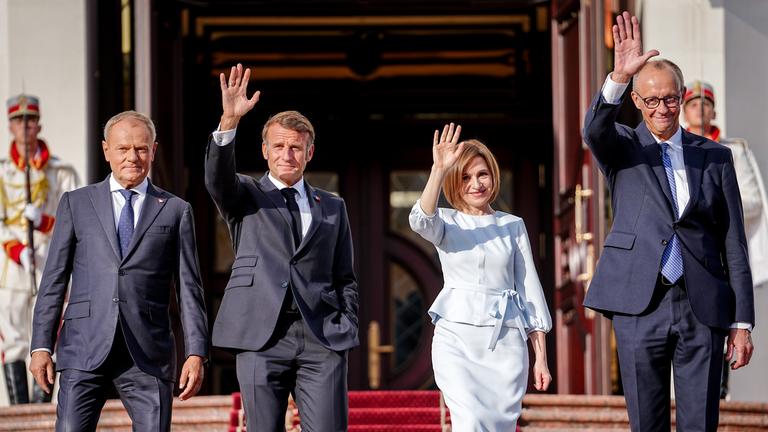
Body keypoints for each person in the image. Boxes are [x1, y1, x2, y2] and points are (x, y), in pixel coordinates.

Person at [582, 11, 754, 431]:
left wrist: (742, 321)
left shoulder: (714, 155)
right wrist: (619, 77)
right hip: (639, 302)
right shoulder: (622, 146)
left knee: (701, 422)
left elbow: (733, 238)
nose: (663, 108)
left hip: (702, 303)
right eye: (652, 100)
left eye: (671, 98)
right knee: (648, 422)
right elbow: (593, 129)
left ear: (681, 97)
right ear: (637, 102)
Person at [29, 110, 209, 431]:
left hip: (148, 353)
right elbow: (53, 280)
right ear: (106, 150)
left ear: (153, 151)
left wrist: (195, 352)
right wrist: (41, 345)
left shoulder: (176, 211)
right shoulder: (76, 203)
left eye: (141, 149)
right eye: (123, 148)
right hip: (83, 347)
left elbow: (189, 289)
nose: (132, 157)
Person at [205, 64, 358, 432]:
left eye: (295, 147)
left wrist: (345, 320)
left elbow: (345, 276)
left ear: (309, 153)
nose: (287, 154)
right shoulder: (245, 194)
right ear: (264, 151)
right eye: (279, 146)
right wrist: (229, 120)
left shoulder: (332, 206)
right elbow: (217, 179)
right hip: (261, 336)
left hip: (321, 335)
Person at [408, 123, 552, 431]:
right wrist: (438, 169)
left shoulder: (513, 225)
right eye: (465, 177)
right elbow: (420, 220)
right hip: (456, 340)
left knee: (498, 426)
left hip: (506, 344)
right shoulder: (445, 222)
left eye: (482, 174)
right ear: (454, 183)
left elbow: (530, 292)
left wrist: (540, 356)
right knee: (470, 421)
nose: (476, 183)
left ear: (494, 177)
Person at [682, 80, 768, 401]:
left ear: (714, 109)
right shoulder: (678, 148)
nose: (699, 109)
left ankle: (718, 390)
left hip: (718, 249)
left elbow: (753, 202)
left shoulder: (733, 149)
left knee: (720, 321)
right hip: (685, 251)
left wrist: (714, 206)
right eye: (693, 103)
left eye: (705, 103)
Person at [0, 94, 79, 405]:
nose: (25, 126)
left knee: (49, 333)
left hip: (49, 261)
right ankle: (19, 412)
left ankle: (41, 408)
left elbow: (75, 220)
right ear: (10, 126)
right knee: (14, 336)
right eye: (18, 120)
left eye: (30, 119)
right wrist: (16, 248)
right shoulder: (3, 172)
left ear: (38, 124)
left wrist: (45, 221)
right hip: (12, 266)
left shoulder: (61, 171)